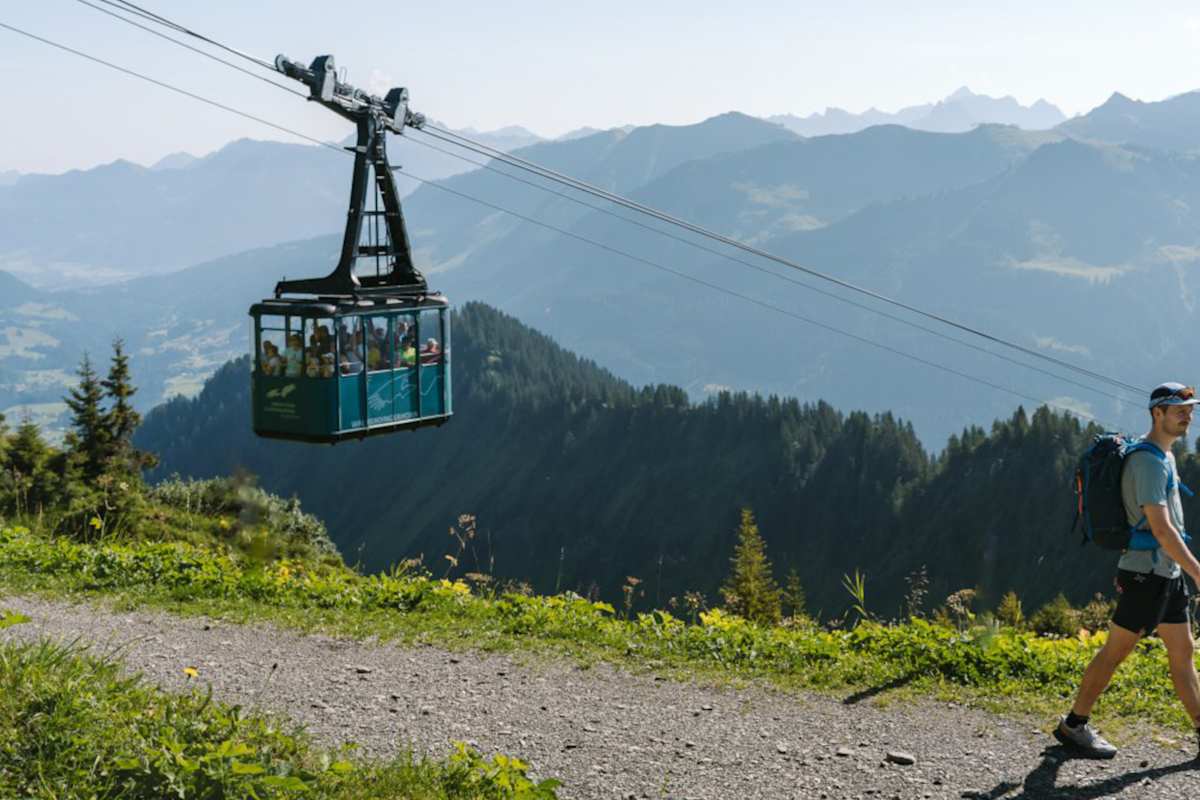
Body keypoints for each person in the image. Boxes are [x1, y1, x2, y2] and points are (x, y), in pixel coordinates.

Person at [1055, 382, 1200, 759]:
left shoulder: (1165, 456)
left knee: (1182, 652)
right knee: (1115, 652)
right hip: (1145, 575)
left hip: (1166, 573)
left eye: (1190, 410)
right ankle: (1074, 725)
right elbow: (1163, 531)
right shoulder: (1147, 463)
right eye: (1178, 410)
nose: (1187, 416)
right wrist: (1198, 572)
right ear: (1157, 413)